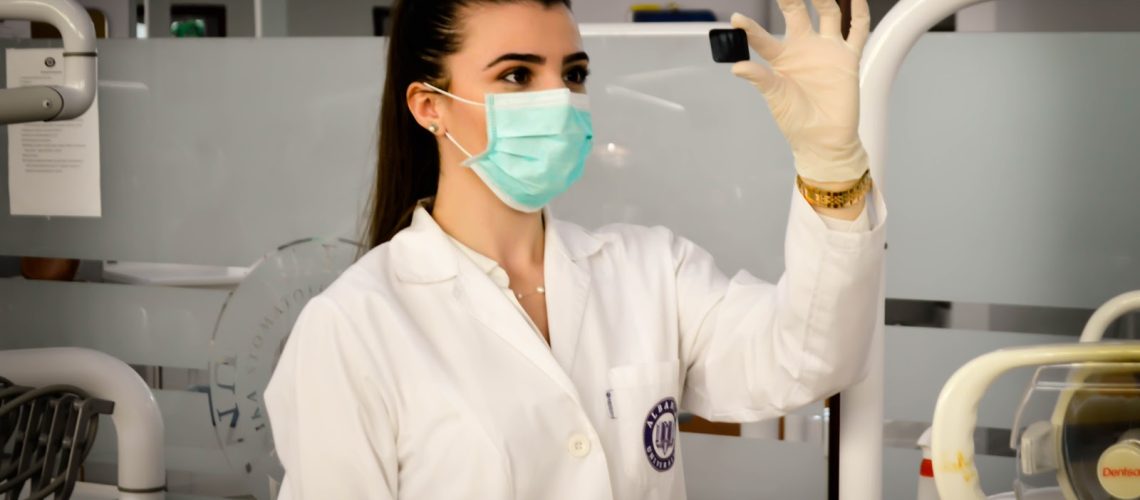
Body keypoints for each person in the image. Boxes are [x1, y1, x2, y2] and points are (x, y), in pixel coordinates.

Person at [264, 0, 886, 498]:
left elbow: (810, 357)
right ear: (430, 107)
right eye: (516, 75)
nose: (559, 98)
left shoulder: (650, 271)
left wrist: (830, 168)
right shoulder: (354, 326)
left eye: (574, 73)